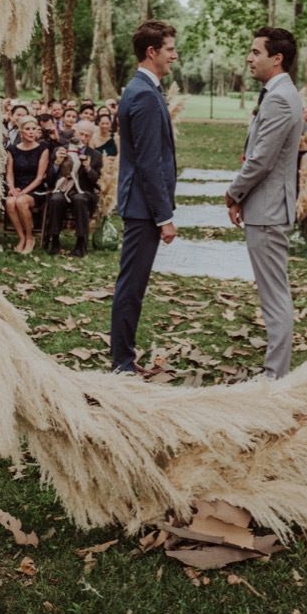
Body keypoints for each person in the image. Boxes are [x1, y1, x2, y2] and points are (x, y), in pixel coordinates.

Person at [225, 27, 303, 380]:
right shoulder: (278, 94)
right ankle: (276, 372)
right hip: (266, 207)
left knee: (274, 297)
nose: (249, 57)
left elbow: (261, 159)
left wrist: (233, 192)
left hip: (268, 210)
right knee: (273, 292)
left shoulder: (280, 98)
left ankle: (275, 377)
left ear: (277, 58)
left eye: (255, 52)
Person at [110, 20, 178, 374]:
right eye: (170, 50)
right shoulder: (145, 96)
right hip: (142, 207)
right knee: (131, 286)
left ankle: (124, 357)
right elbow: (150, 163)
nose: (174, 56)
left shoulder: (140, 89)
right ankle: (122, 363)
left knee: (132, 284)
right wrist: (164, 216)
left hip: (139, 204)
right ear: (151, 52)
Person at [46, 119, 102, 257]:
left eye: (86, 135)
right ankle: (54, 240)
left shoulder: (95, 155)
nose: (83, 138)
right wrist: (57, 164)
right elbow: (49, 179)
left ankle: (80, 242)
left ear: (90, 137)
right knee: (56, 199)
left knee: (79, 199)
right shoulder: (60, 150)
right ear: (74, 133)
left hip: (84, 191)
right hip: (63, 188)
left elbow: (97, 182)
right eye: (80, 134)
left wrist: (88, 168)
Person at [4, 116, 49, 254]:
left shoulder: (43, 148)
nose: (31, 132)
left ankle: (30, 237)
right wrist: (12, 188)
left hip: (36, 188)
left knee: (21, 201)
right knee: (10, 202)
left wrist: (23, 192)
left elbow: (40, 178)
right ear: (20, 132)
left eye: (34, 129)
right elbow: (9, 172)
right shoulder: (12, 149)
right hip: (17, 187)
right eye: (27, 129)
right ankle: (21, 237)